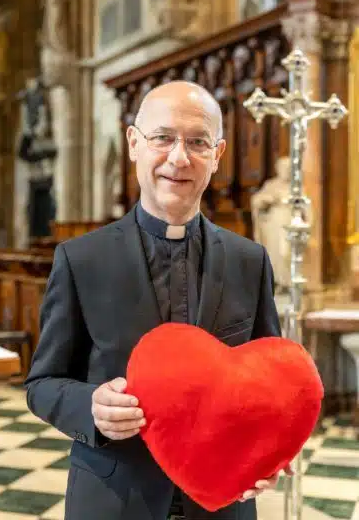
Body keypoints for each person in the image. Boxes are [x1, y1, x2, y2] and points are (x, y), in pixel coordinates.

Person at [25, 81, 293, 520]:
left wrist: (269, 458)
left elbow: (268, 388)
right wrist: (90, 407)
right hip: (113, 500)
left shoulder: (251, 261)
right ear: (134, 144)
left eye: (197, 142)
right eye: (163, 137)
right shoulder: (82, 259)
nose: (178, 157)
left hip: (222, 503)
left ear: (218, 154)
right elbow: (42, 383)